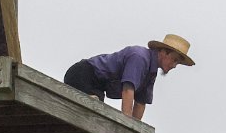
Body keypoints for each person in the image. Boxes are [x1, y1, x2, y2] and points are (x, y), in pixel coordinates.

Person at [63, 34, 195, 119]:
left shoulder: (151, 72)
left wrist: (135, 130)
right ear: (163, 52)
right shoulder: (139, 57)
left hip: (97, 87)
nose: (175, 65)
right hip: (82, 75)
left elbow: (140, 102)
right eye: (174, 60)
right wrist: (126, 122)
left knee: (97, 108)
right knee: (93, 107)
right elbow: (128, 89)